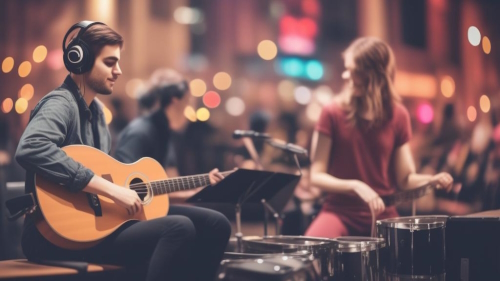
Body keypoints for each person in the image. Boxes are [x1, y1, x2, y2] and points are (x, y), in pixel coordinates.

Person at [15, 21, 231, 281]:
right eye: (109, 62)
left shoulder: (97, 114)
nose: (118, 70)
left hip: (94, 223)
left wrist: (119, 191)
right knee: (178, 228)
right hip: (50, 236)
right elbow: (31, 147)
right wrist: (112, 190)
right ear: (80, 62)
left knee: (216, 223)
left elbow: (106, 176)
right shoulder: (60, 104)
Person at [305, 37, 456, 238]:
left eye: (353, 70)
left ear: (374, 75)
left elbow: (404, 179)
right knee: (311, 255)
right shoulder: (332, 112)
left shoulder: (398, 115)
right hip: (339, 211)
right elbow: (316, 175)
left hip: (382, 212)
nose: (345, 75)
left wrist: (431, 180)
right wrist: (355, 185)